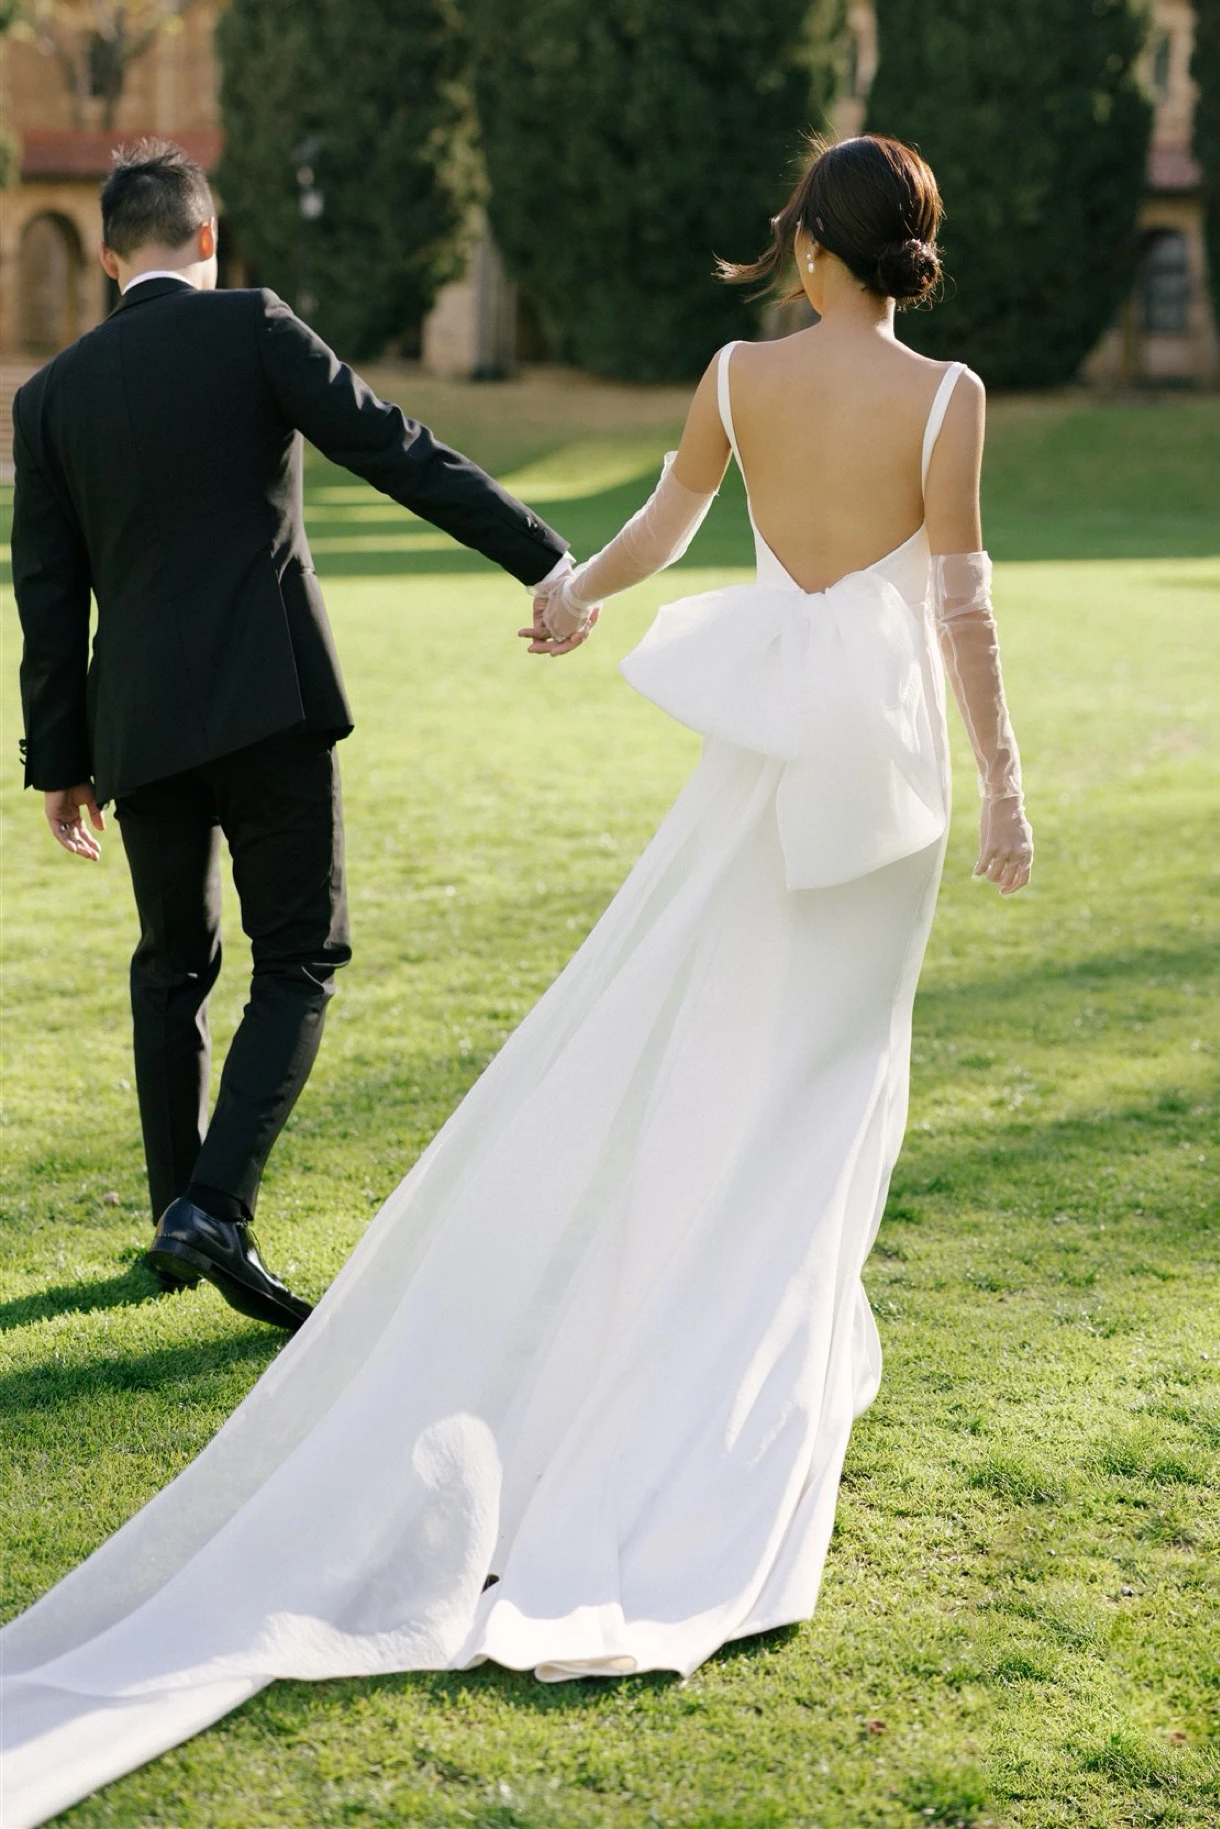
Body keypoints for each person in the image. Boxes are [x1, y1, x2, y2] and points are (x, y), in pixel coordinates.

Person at [0, 134, 1032, 1827]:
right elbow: (963, 610)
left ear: (800, 242)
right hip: (880, 780)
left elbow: (658, 522)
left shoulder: (736, 372)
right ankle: (734, 1389)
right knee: (813, 1085)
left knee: (670, 1052)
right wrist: (1003, 785)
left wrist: (567, 591)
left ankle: (227, 1204)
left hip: (732, 761)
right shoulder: (953, 398)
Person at [11, 140, 580, 1334]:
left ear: (111, 255)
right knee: (299, 958)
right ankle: (211, 1203)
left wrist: (58, 759)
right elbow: (393, 447)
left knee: (172, 966)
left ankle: (178, 1215)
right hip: (271, 705)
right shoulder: (254, 325)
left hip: (140, 727)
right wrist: (541, 552)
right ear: (209, 241)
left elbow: (46, 598)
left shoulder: (49, 396)